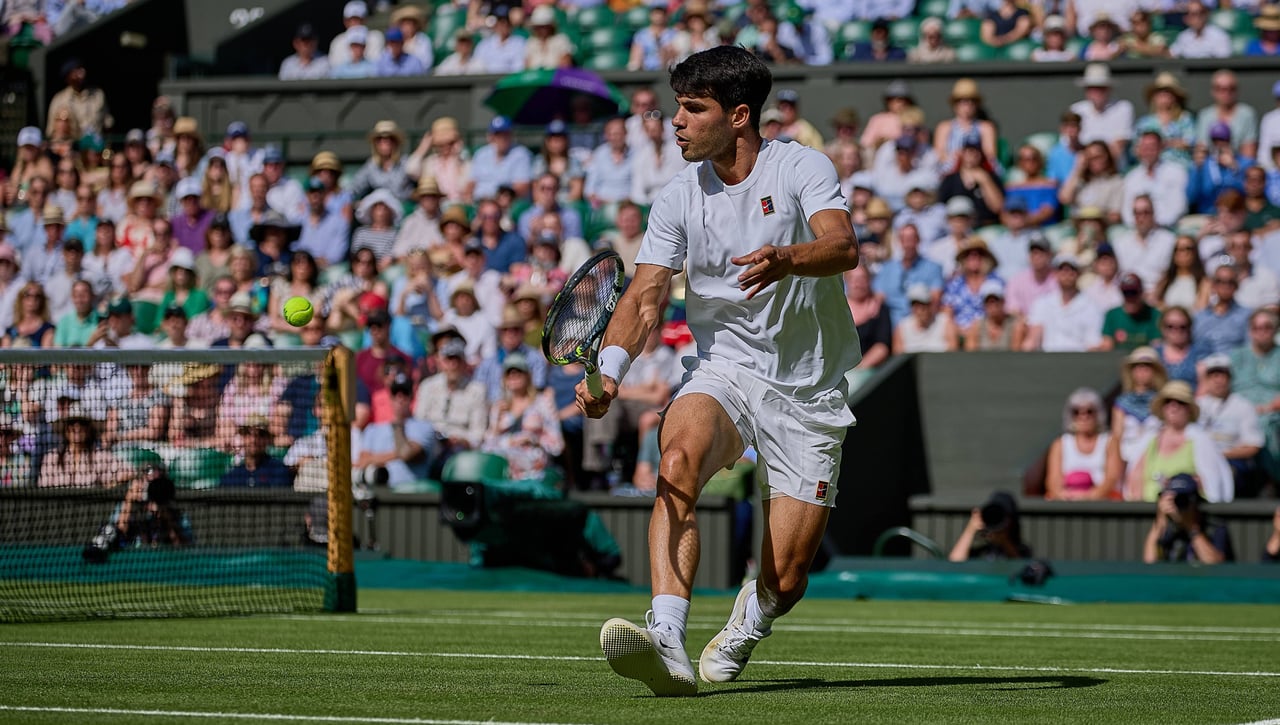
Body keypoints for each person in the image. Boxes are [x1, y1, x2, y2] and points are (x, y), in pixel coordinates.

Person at [582, 47, 859, 696]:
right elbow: (647, 295)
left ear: (739, 117)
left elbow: (842, 244)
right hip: (724, 368)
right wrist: (611, 368)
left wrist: (790, 257)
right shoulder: (678, 195)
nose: (675, 120)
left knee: (787, 577)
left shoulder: (800, 166)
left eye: (692, 108)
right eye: (677, 105)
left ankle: (748, 619)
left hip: (806, 387)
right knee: (675, 460)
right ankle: (668, 637)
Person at [1125, 381, 1233, 503]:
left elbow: (1212, 485)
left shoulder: (1201, 440)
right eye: (1168, 402)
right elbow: (1134, 480)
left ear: (1189, 409)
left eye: (1180, 402)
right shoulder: (1148, 440)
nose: (1173, 406)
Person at [1196, 353, 1265, 497]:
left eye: (1222, 375)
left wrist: (1219, 455)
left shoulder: (1243, 406)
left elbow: (1253, 446)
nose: (1218, 380)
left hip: (1231, 461)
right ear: (1207, 379)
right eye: (1213, 376)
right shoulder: (1197, 405)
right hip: (1199, 459)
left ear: (1230, 378)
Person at [356, 373, 440, 490]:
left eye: (405, 394)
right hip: (377, 495)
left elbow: (406, 454)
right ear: (390, 397)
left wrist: (398, 425)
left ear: (411, 397)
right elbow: (363, 461)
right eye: (396, 393)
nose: (400, 399)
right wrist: (396, 454)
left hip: (411, 494)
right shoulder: (372, 429)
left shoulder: (425, 427)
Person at [1046, 387, 1121, 500]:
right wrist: (1063, 495)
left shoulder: (1109, 442)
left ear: (1098, 414)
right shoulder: (1060, 444)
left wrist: (1089, 496)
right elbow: (1053, 481)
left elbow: (1112, 478)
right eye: (1076, 412)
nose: (1083, 416)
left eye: (1089, 411)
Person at [1142, 473, 1233, 563]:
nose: (1179, 505)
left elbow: (1215, 564)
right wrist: (1159, 523)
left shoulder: (1213, 527)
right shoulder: (1167, 528)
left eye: (1184, 499)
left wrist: (1191, 528)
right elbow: (1150, 562)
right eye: (1175, 499)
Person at [948, 491, 1032, 561]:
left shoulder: (1023, 550)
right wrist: (970, 529)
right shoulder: (981, 551)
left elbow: (1021, 567)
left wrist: (1005, 542)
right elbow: (954, 563)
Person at [220, 415, 294, 488]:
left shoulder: (279, 472)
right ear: (242, 437)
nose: (253, 440)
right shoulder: (233, 477)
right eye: (248, 434)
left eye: (260, 434)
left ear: (268, 439)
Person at [1100, 273, 1162, 351]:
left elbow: (1157, 345)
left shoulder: (1154, 315)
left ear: (1142, 292)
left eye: (1134, 293)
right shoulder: (1112, 315)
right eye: (1126, 293)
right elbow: (1107, 345)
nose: (1130, 298)